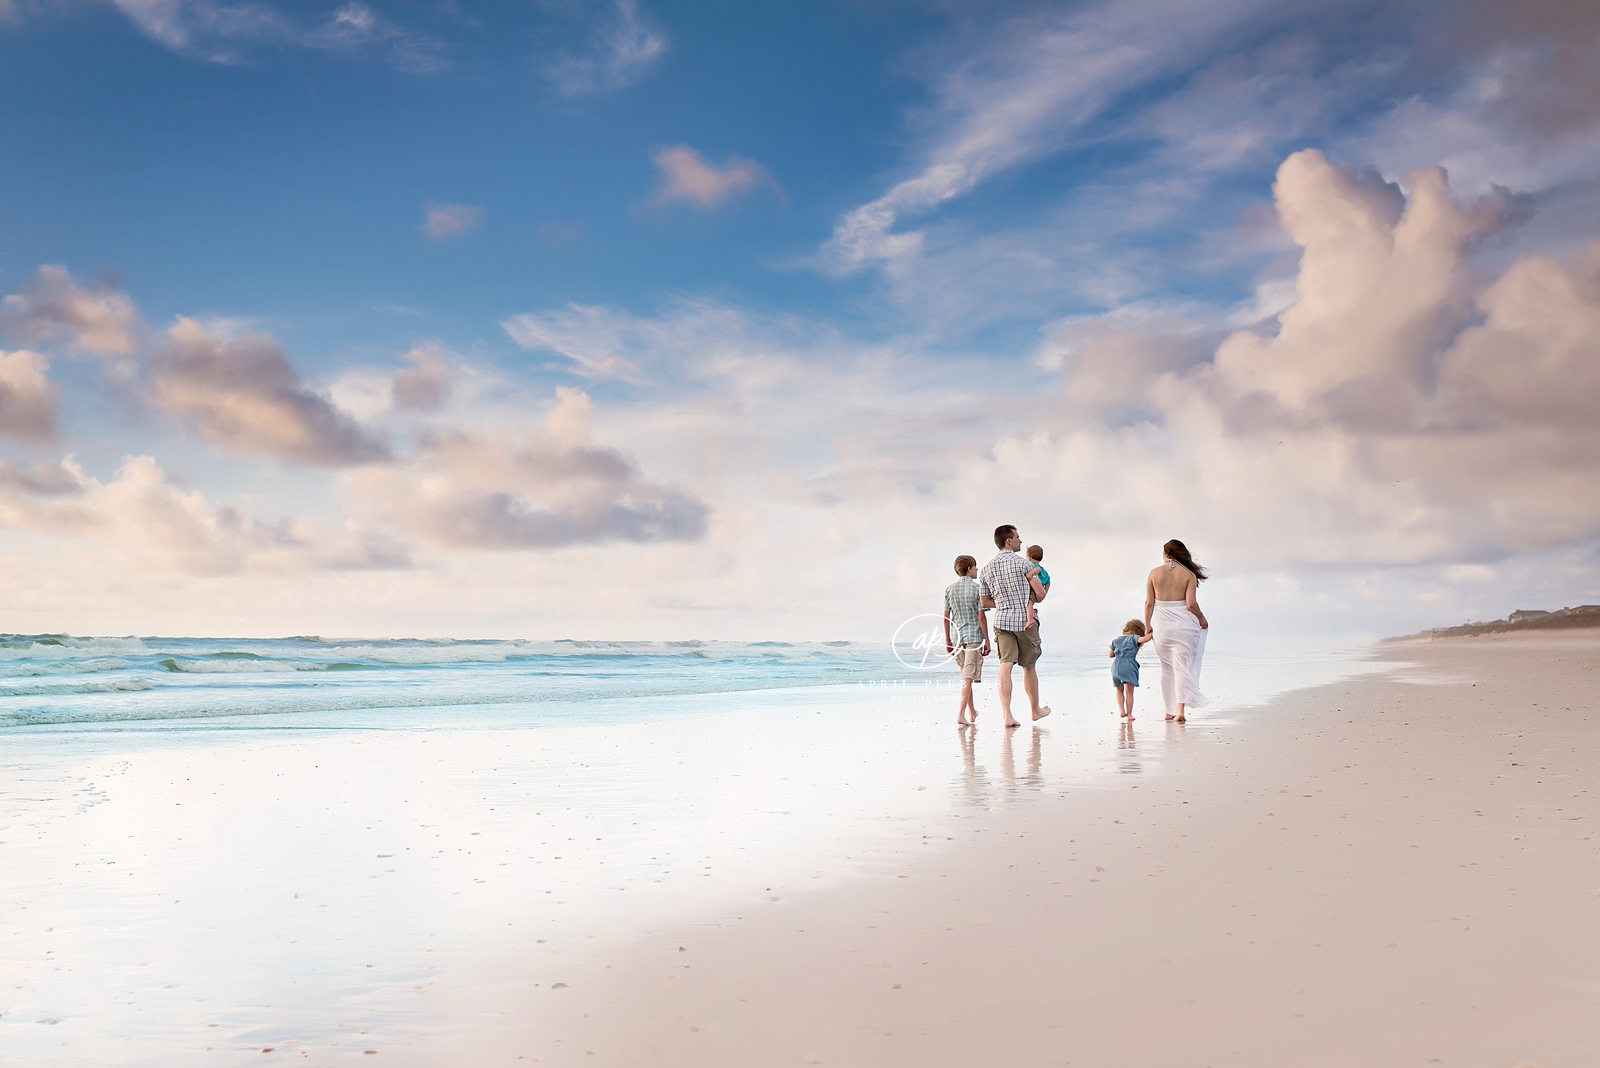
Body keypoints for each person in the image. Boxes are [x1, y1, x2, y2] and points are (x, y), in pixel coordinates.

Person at [978, 525, 1051, 728]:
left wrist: (1003, 603)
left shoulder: (986, 569)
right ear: (1008, 541)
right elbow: (1040, 595)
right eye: (1017, 537)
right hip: (1024, 622)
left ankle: (1007, 716)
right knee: (1028, 665)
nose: (1020, 540)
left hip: (1001, 621)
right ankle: (1035, 710)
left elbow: (984, 603)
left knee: (1005, 665)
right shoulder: (1025, 565)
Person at [1143, 539, 1210, 723]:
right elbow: (1191, 604)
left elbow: (1149, 603)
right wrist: (1201, 618)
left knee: (1166, 669)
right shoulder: (1189, 575)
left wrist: (1147, 625)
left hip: (1163, 628)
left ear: (1166, 554)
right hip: (1184, 627)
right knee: (1182, 667)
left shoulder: (1154, 573)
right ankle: (1180, 711)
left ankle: (1168, 711)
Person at [942, 554, 991, 727]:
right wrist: (987, 640)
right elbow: (981, 617)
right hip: (973, 637)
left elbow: (946, 617)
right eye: (975, 566)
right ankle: (960, 714)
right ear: (969, 568)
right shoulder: (977, 589)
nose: (977, 569)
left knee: (965, 675)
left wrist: (947, 640)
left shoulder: (949, 589)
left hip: (957, 637)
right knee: (968, 677)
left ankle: (971, 711)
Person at [1108, 619, 1153, 720]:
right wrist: (1152, 632)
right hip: (1129, 665)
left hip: (1116, 666)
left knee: (1119, 689)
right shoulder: (1134, 638)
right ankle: (1129, 715)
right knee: (1129, 692)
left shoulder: (1116, 640)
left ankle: (1121, 710)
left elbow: (1110, 655)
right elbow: (1145, 639)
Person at [1023, 544, 1050, 630]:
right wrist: (1044, 591)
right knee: (1030, 603)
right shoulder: (1045, 571)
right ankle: (1032, 611)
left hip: (1033, 589)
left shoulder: (1033, 566)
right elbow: (1048, 582)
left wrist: (1030, 574)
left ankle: (1030, 619)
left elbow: (1037, 569)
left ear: (1029, 557)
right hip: (1040, 589)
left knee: (1028, 603)